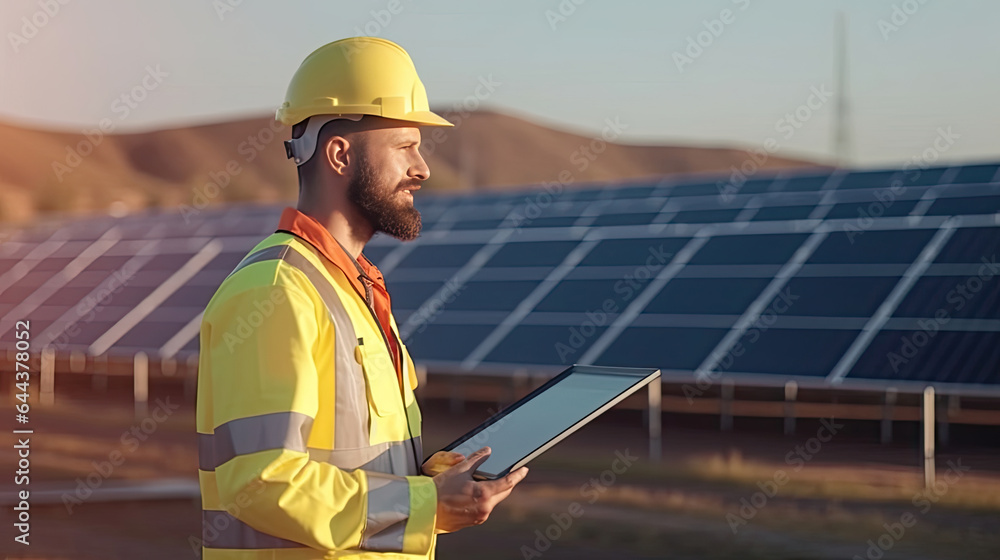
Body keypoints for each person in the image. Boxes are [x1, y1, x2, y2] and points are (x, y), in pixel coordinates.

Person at [195, 37, 528, 559]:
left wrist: (438, 484)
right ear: (339, 154)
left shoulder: (353, 290)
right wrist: (425, 506)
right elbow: (262, 482)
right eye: (405, 147)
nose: (423, 168)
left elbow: (356, 465)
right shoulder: (278, 292)